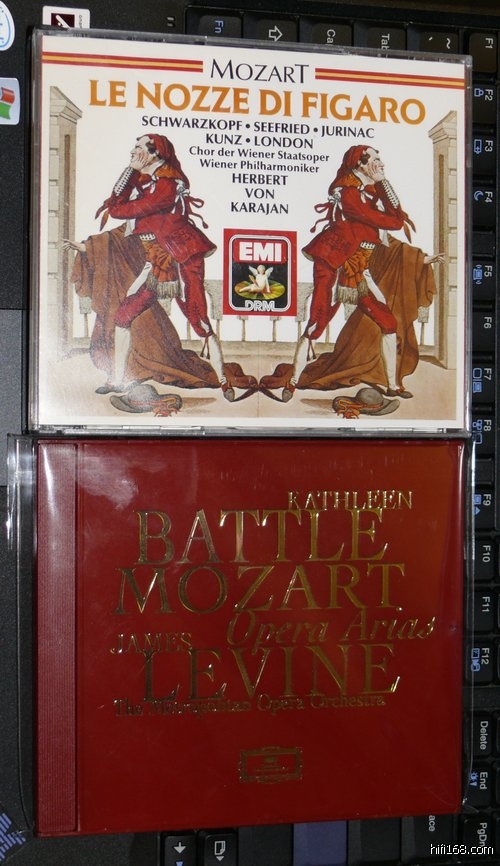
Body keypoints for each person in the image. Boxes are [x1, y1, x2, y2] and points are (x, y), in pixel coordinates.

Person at [262, 145, 416, 402]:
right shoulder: (348, 192)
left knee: (388, 322)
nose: (381, 163)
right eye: (375, 159)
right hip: (333, 265)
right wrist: (382, 193)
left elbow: (397, 216)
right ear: (360, 164)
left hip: (358, 268)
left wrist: (382, 182)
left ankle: (393, 386)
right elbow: (393, 221)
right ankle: (292, 382)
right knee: (317, 322)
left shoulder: (371, 190)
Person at [93, 133, 237, 400]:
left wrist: (129, 181)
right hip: (156, 261)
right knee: (124, 315)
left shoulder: (168, 184)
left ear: (154, 153)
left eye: (138, 147)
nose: (132, 151)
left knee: (198, 319)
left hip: (182, 258)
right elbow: (115, 202)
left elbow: (121, 210)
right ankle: (118, 380)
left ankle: (224, 381)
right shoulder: (143, 179)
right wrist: (130, 170)